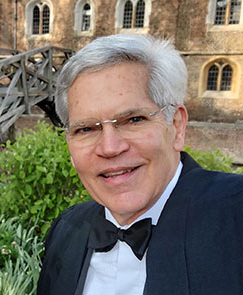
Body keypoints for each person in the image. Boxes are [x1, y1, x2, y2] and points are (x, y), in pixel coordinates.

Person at [37, 34, 243, 295]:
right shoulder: (66, 229)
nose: (110, 148)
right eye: (87, 128)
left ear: (177, 127)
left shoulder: (236, 217)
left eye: (134, 120)